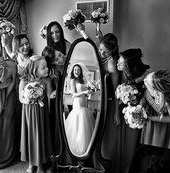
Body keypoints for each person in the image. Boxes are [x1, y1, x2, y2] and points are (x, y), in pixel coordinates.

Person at [129, 70, 170, 173]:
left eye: (148, 82)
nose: (145, 80)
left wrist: (150, 118)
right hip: (152, 128)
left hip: (166, 129)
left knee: (158, 157)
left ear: (157, 90)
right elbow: (145, 94)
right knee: (146, 154)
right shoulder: (149, 86)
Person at [117, 48, 150, 173]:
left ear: (128, 65)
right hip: (123, 113)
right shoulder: (122, 74)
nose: (118, 62)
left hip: (137, 114)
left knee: (133, 146)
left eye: (121, 62)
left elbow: (146, 95)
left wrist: (139, 107)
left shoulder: (144, 75)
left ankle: (129, 168)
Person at [19, 55, 53, 173]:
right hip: (28, 114)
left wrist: (58, 88)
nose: (47, 69)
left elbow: (50, 95)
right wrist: (28, 98)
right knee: (30, 137)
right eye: (43, 68)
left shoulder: (46, 80)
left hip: (41, 114)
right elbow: (20, 98)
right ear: (34, 69)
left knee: (40, 136)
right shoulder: (24, 80)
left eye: (47, 66)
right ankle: (30, 163)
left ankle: (40, 165)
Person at [98, 33, 121, 172]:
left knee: (106, 137)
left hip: (110, 102)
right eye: (100, 49)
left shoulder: (112, 64)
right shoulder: (101, 56)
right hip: (100, 98)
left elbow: (116, 90)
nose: (101, 53)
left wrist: (117, 112)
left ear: (112, 51)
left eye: (104, 51)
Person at [64, 63, 95, 155]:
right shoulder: (72, 80)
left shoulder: (83, 80)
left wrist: (89, 92)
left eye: (78, 69)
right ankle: (77, 148)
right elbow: (74, 94)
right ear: (73, 71)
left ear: (81, 71)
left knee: (85, 124)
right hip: (77, 103)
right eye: (75, 70)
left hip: (84, 102)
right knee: (78, 123)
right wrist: (84, 91)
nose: (77, 71)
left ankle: (86, 149)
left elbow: (86, 93)